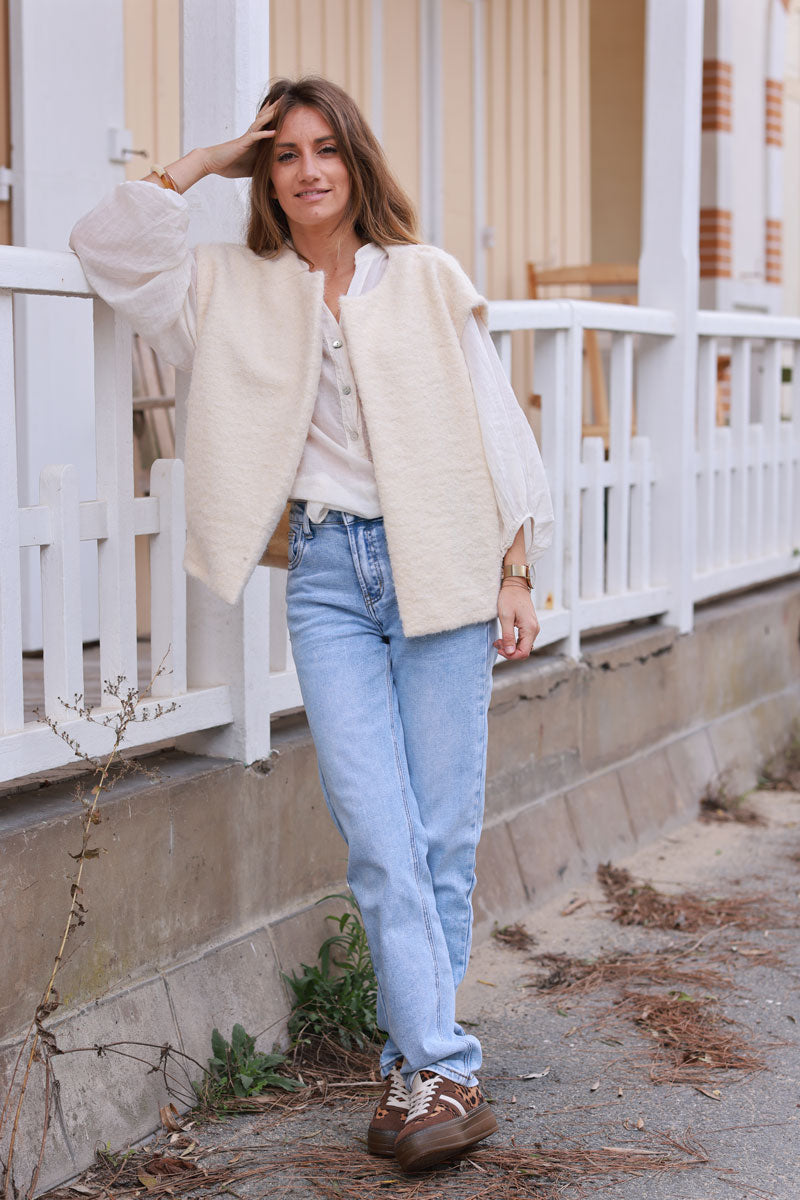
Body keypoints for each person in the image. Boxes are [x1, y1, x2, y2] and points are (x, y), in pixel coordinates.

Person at [69, 75, 553, 1174]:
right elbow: (107, 247)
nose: (307, 170)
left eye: (324, 149)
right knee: (378, 837)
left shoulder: (423, 276)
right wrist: (201, 159)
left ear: (357, 161)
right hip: (330, 574)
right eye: (283, 154)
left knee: (437, 839)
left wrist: (517, 568)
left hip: (441, 566)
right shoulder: (230, 286)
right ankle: (442, 1065)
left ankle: (418, 1070)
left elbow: (492, 422)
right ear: (264, 173)